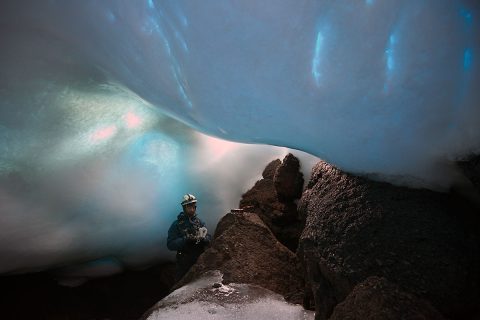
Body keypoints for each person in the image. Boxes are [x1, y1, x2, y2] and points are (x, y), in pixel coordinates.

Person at [167, 193, 212, 281]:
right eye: (189, 206)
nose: (192, 209)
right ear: (184, 208)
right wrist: (186, 240)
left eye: (193, 206)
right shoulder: (176, 225)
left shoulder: (200, 222)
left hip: (199, 261)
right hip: (183, 263)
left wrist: (204, 239)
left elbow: (208, 237)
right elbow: (170, 244)